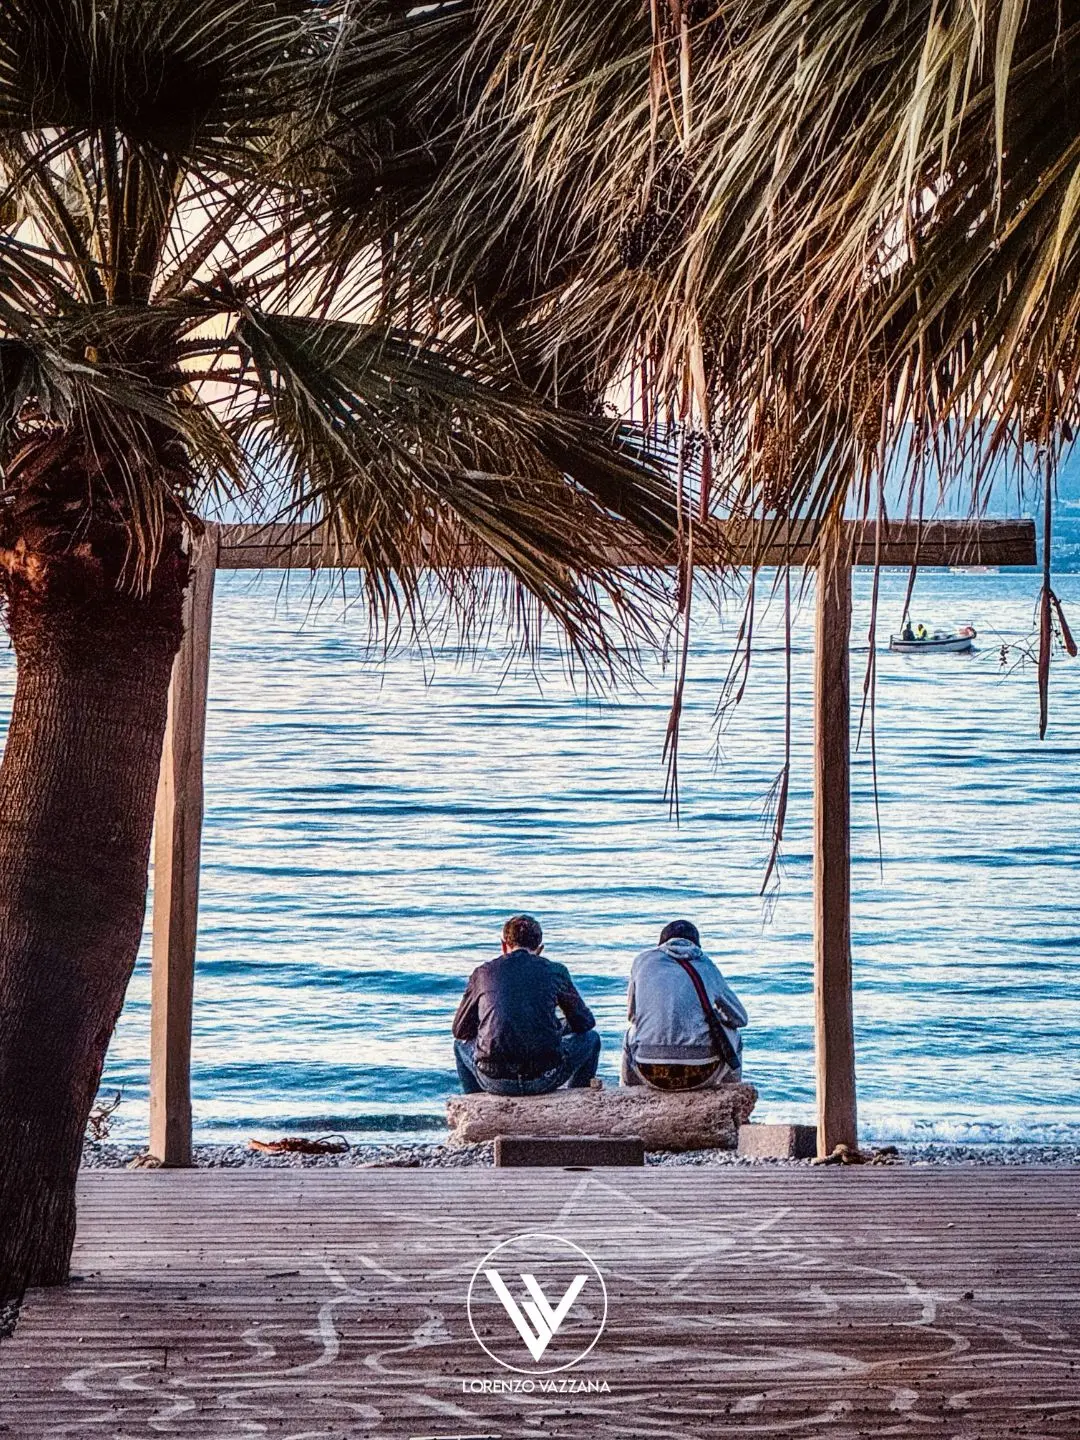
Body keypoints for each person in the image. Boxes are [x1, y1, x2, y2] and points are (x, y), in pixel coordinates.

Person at [452, 914, 601, 1095]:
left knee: (459, 1045)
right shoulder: (555, 970)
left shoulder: (482, 973)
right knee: (591, 1038)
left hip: (494, 1080)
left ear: (504, 946)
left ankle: (475, 1099)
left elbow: (460, 1031)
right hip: (543, 1078)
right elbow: (585, 1023)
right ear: (540, 949)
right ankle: (577, 1095)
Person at [622, 919, 747, 1091]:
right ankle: (731, 1092)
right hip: (701, 1073)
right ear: (697, 945)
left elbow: (632, 1016)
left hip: (649, 1071)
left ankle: (628, 1091)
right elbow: (740, 1019)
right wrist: (714, 1017)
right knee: (734, 1036)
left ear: (661, 944)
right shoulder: (706, 965)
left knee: (630, 1034)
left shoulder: (642, 961)